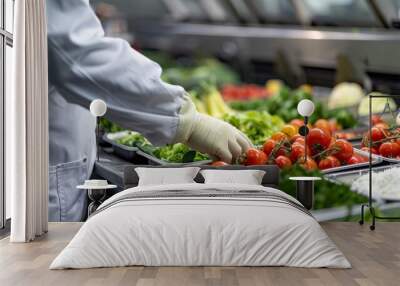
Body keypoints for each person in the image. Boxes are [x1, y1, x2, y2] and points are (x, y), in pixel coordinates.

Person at [46, 0, 252, 221]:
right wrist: (185, 121)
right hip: (45, 178)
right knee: (45, 251)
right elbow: (77, 53)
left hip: (58, 162)